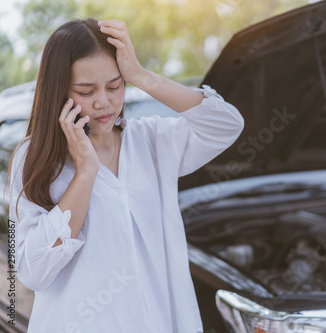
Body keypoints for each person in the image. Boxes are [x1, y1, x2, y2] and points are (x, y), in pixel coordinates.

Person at [7, 17, 244, 333]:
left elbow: (227, 124)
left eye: (115, 85)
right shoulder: (33, 157)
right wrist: (85, 172)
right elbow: (33, 272)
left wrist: (142, 76)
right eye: (86, 90)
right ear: (58, 91)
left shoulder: (150, 140)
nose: (103, 102)